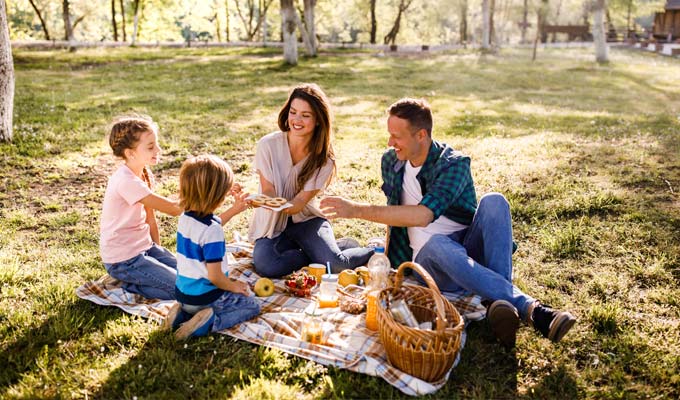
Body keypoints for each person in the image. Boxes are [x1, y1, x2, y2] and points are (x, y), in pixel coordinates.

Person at [320, 98, 576, 347]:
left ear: (421, 135)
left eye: (397, 136)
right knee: (438, 243)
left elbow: (423, 215)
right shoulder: (391, 161)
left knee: (495, 201)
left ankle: (499, 304)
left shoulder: (453, 164)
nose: (390, 142)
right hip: (430, 264)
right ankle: (530, 309)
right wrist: (389, 261)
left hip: (467, 252)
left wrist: (355, 209)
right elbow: (394, 213)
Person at [248, 83, 374, 277]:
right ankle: (318, 254)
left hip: (306, 220)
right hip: (273, 223)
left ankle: (374, 248)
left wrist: (281, 205)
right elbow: (268, 189)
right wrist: (263, 201)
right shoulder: (268, 145)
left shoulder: (324, 160)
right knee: (267, 266)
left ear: (317, 120)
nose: (297, 120)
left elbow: (299, 204)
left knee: (337, 266)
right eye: (293, 112)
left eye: (306, 115)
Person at [163, 154, 260, 340]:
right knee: (252, 305)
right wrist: (234, 287)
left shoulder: (186, 218)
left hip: (184, 295)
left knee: (193, 304)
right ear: (216, 196)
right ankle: (209, 321)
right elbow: (215, 277)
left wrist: (234, 209)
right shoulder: (213, 232)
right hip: (206, 298)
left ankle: (181, 314)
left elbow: (212, 226)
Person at [100, 115, 182, 300]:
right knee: (183, 291)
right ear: (130, 153)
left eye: (157, 144)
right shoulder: (126, 181)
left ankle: (142, 278)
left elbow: (150, 219)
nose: (158, 150)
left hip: (144, 249)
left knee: (192, 277)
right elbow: (174, 209)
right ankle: (128, 284)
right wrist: (205, 188)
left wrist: (157, 254)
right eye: (151, 147)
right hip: (124, 260)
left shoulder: (144, 174)